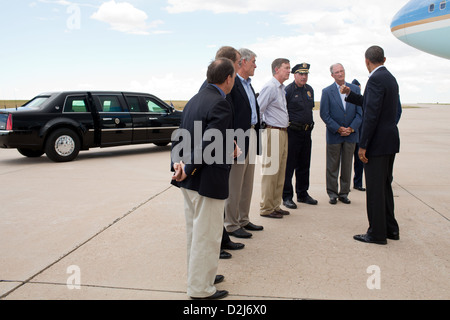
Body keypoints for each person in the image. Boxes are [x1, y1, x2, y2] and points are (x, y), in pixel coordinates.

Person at [171, 58, 236, 299]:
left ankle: (201, 275)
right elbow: (209, 140)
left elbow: (181, 136)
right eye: (234, 78)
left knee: (194, 232)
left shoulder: (193, 101)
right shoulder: (220, 103)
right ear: (228, 78)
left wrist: (177, 166)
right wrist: (187, 166)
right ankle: (201, 289)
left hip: (188, 179)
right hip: (205, 179)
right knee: (207, 235)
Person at [345, 46, 401, 245]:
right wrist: (351, 94)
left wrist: (363, 145)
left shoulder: (375, 79)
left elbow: (371, 115)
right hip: (389, 140)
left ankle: (377, 233)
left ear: (366, 61)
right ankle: (391, 229)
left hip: (377, 143)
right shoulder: (389, 78)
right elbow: (372, 104)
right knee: (384, 186)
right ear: (383, 59)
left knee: (375, 190)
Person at [199, 46, 245, 257]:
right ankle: (215, 245)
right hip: (215, 155)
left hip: (225, 147)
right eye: (237, 63)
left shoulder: (219, 86)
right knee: (215, 203)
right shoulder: (213, 89)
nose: (239, 66)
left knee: (221, 200)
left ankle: (223, 238)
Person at [225, 48, 264, 238]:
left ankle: (243, 219)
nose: (255, 65)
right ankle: (231, 224)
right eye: (254, 61)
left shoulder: (249, 85)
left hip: (252, 133)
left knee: (247, 181)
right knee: (235, 183)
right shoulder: (233, 84)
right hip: (239, 136)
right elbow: (229, 113)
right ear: (243, 62)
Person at [320, 63, 362, 205]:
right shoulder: (327, 91)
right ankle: (332, 193)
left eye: (342, 71)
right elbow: (324, 114)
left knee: (347, 165)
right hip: (334, 135)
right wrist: (338, 128)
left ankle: (344, 193)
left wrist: (351, 128)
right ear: (332, 75)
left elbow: (360, 113)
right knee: (332, 166)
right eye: (337, 72)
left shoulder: (355, 89)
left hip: (351, 135)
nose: (340, 74)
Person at [258, 58, 291, 219]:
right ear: (276, 69)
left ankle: (275, 205)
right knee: (270, 171)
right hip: (273, 132)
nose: (289, 71)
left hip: (283, 132)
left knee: (280, 172)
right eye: (286, 68)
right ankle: (266, 207)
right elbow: (258, 110)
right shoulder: (270, 87)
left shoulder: (281, 89)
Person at [282, 63, 318, 209]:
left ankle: (303, 194)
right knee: (289, 166)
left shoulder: (309, 90)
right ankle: (287, 196)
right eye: (301, 74)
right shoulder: (288, 90)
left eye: (306, 74)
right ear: (294, 75)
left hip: (306, 132)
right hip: (292, 133)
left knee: (304, 165)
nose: (304, 77)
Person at [351, 79, 366, 192]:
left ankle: (358, 183)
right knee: (345, 161)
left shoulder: (363, 100)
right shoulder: (350, 100)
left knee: (359, 161)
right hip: (351, 134)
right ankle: (345, 185)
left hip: (361, 135)